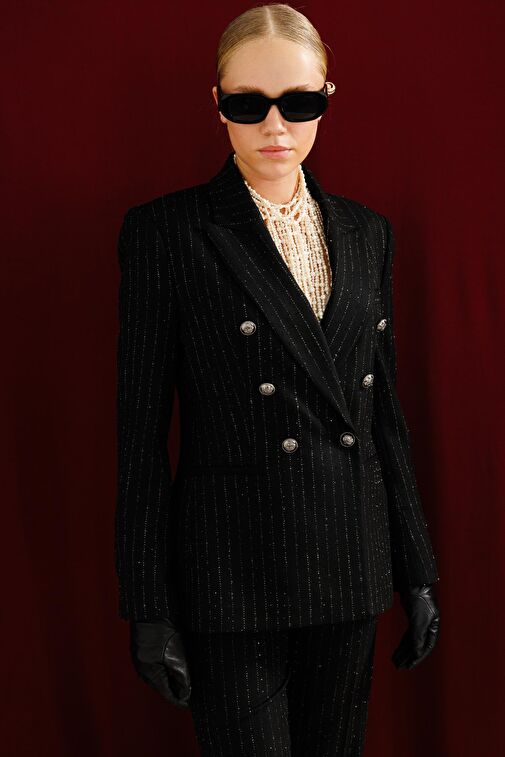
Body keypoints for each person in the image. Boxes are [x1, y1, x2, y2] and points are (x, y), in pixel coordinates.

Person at [115, 4, 441, 755]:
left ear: (326, 98)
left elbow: (383, 416)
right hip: (233, 571)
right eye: (247, 104)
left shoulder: (367, 233)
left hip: (351, 558)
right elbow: (138, 436)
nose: (274, 126)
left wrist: (416, 571)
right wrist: (147, 604)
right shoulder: (168, 233)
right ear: (216, 103)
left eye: (297, 103)